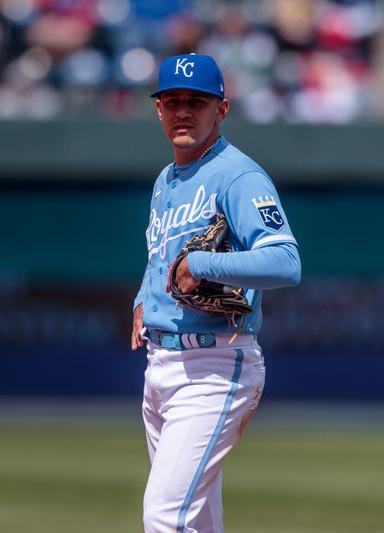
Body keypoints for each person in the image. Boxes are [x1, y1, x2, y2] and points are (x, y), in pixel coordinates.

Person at [130, 53, 301, 533]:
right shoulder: (166, 181)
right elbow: (162, 255)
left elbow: (286, 262)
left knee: (165, 517)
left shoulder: (238, 176)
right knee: (198, 522)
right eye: (173, 101)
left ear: (221, 110)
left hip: (215, 368)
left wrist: (203, 263)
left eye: (196, 102)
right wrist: (144, 295)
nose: (183, 111)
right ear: (159, 109)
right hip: (161, 367)